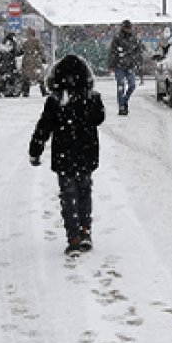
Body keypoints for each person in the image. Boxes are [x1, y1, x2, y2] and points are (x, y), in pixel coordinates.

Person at [29, 55, 106, 256]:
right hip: (87, 153)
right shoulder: (92, 98)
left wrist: (35, 150)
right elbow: (99, 118)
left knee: (68, 195)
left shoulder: (55, 102)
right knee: (84, 192)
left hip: (64, 154)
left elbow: (44, 127)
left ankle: (73, 237)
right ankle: (85, 230)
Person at [107, 19, 145, 115]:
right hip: (119, 66)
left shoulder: (134, 38)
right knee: (121, 86)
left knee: (132, 85)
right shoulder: (117, 38)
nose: (128, 29)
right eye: (126, 28)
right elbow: (112, 52)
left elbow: (140, 49)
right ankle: (121, 107)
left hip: (130, 65)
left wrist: (136, 59)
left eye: (129, 28)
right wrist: (111, 65)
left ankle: (124, 101)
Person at [20, 27, 48, 97]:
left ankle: (25, 92)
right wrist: (43, 59)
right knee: (39, 76)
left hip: (27, 60)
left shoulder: (25, 42)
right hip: (35, 60)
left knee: (26, 77)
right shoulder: (37, 41)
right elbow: (41, 50)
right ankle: (43, 91)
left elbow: (21, 50)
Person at [0, 32, 20, 97]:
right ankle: (9, 91)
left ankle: (0, 90)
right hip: (10, 62)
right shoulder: (12, 43)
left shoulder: (3, 43)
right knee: (11, 77)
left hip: (2, 62)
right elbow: (16, 52)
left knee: (3, 77)